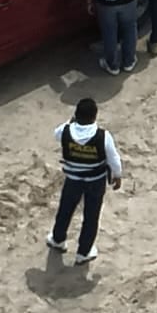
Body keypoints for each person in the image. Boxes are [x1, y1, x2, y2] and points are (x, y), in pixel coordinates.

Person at [47, 97, 122, 267]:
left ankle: (57, 240)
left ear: (75, 115)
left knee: (65, 210)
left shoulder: (65, 131)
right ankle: (84, 252)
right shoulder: (103, 136)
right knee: (91, 216)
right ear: (95, 116)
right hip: (95, 182)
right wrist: (117, 175)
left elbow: (56, 133)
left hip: (72, 180)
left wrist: (70, 121)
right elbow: (113, 158)